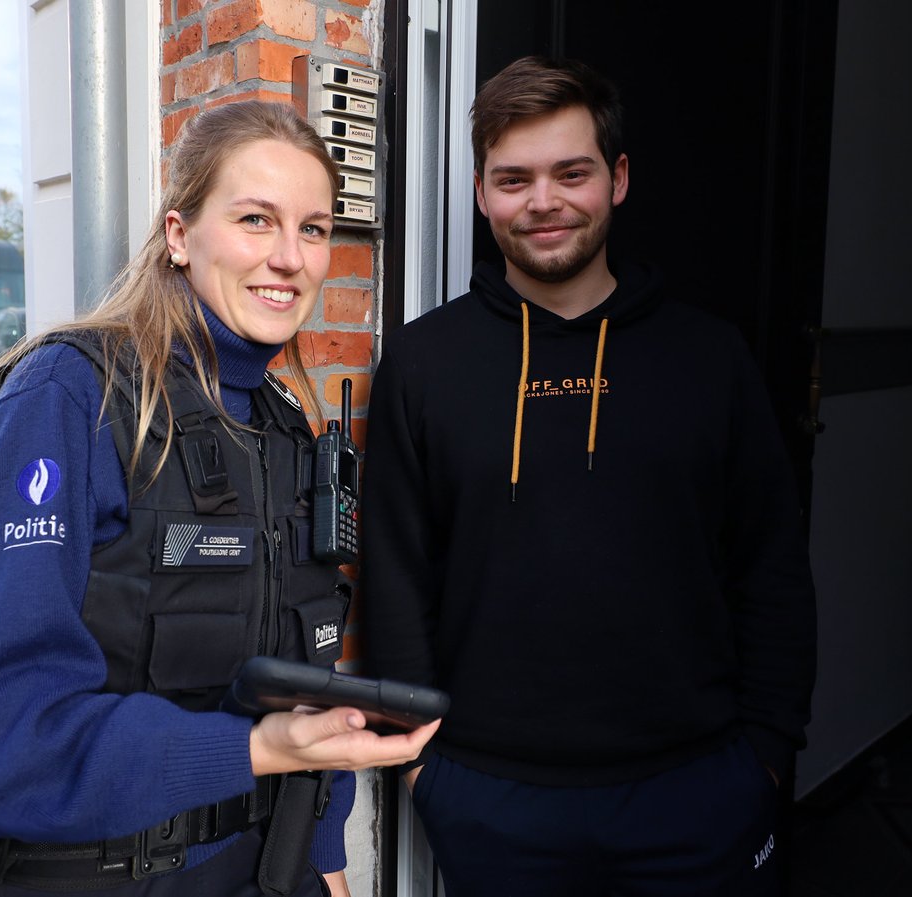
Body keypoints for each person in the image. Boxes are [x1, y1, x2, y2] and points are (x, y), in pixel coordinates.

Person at [0, 101, 437, 897]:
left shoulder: (286, 428)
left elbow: (308, 661)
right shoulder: (70, 400)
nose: (292, 258)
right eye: (256, 219)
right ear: (178, 234)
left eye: (313, 228)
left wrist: (326, 856)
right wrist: (256, 749)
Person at [360, 56, 816, 896]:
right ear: (479, 193)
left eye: (572, 172)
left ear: (618, 178)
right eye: (514, 178)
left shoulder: (709, 358)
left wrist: (768, 752)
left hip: (700, 788)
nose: (543, 201)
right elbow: (394, 576)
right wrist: (425, 766)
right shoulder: (424, 364)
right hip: (489, 796)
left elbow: (773, 565)